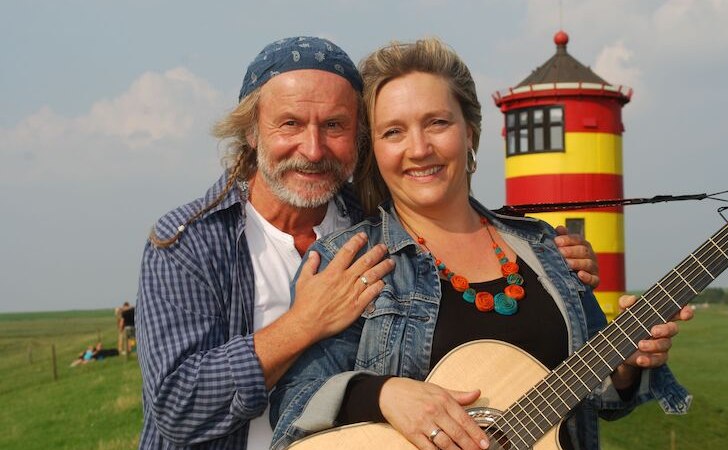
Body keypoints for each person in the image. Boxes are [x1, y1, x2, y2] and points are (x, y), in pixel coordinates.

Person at [135, 36, 599, 450]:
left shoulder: (370, 222)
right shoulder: (186, 242)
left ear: (359, 140)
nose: (313, 149)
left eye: (334, 126)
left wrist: (538, 255)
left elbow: (441, 199)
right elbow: (177, 406)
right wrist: (304, 323)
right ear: (252, 132)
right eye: (290, 124)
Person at [270, 38, 693, 450]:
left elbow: (599, 395)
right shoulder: (351, 260)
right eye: (393, 132)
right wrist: (384, 394)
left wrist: (625, 369)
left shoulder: (547, 248)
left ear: (469, 133)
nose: (419, 149)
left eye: (437, 122)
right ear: (374, 151)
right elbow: (293, 408)